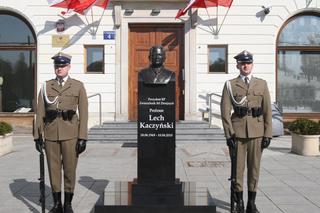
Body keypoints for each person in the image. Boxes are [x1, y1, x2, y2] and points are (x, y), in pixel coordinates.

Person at [34, 52, 88, 213]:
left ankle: (68, 204)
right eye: (57, 66)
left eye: (62, 66)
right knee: (53, 169)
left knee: (70, 170)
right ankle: (57, 204)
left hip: (71, 134)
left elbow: (84, 113)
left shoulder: (78, 86)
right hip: (51, 134)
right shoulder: (46, 86)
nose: (59, 68)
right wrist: (37, 136)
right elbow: (40, 112)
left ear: (69, 67)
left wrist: (83, 137)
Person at [220, 50, 272, 213]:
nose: (245, 66)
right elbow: (225, 111)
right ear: (238, 65)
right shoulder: (230, 84)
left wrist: (267, 133)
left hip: (257, 132)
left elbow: (267, 110)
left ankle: (251, 203)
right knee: (238, 170)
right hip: (238, 133)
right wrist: (229, 134)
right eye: (242, 63)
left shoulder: (261, 84)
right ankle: (239, 203)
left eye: (248, 63)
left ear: (252, 65)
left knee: (254, 169)